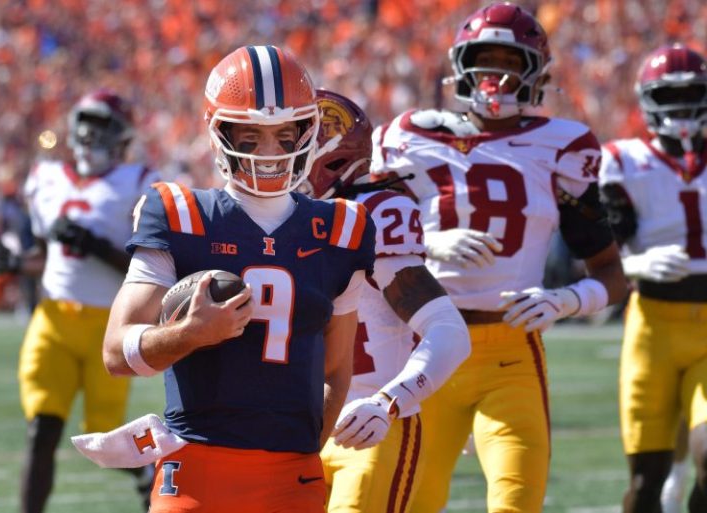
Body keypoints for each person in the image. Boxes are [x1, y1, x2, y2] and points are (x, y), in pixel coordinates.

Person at [370, 3, 628, 512]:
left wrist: (567, 300)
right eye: (485, 62)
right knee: (411, 503)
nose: (497, 77)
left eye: (511, 63)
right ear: (460, 66)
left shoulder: (564, 145)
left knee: (516, 502)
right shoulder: (409, 138)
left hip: (511, 351)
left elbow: (612, 273)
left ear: (536, 73)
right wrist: (424, 240)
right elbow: (357, 234)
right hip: (423, 346)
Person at [101, 45, 376, 513]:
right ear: (220, 131)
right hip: (194, 467)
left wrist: (305, 453)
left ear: (306, 132)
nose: (269, 151)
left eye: (284, 133)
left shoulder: (342, 228)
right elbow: (116, 352)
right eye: (250, 135)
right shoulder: (179, 213)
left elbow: (335, 370)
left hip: (294, 473)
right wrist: (188, 335)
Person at [0, 89, 159, 513]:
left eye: (103, 126)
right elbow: (46, 257)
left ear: (122, 136)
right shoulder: (48, 178)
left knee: (102, 436)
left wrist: (95, 245)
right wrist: (15, 261)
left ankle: (143, 472)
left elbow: (149, 267)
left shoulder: (138, 183)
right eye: (88, 123)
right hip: (53, 321)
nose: (91, 134)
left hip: (108, 327)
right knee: (41, 429)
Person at [303, 89, 471, 513]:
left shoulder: (375, 214)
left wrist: (388, 400)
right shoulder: (265, 220)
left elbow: (448, 331)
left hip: (367, 426)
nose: (271, 160)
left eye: (287, 147)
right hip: (290, 426)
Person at [598, 43, 707, 513]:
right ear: (648, 101)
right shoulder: (623, 160)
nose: (682, 110)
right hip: (652, 327)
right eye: (670, 97)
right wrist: (639, 264)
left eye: (692, 96)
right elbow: (601, 251)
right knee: (645, 485)